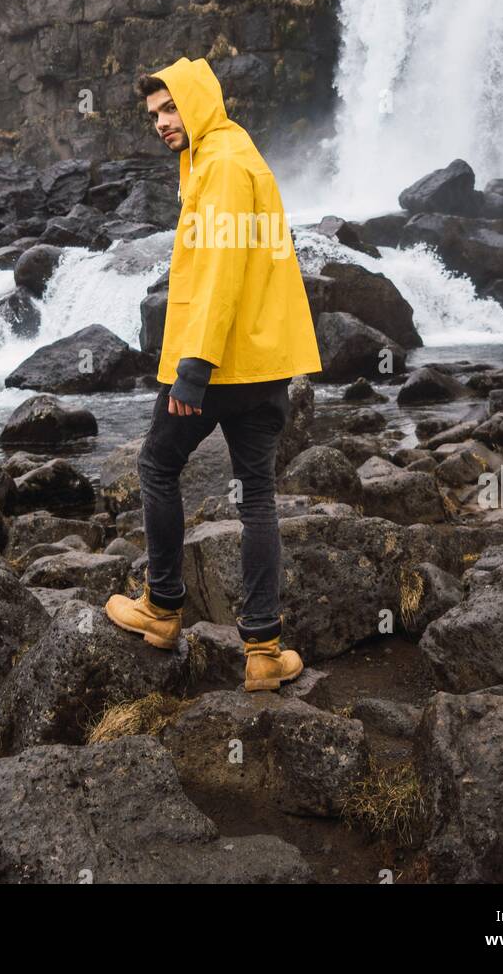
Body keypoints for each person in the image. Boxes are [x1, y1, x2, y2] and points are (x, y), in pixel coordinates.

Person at [105, 54, 322, 690]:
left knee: (156, 467)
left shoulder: (222, 163)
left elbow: (222, 271)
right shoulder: (227, 152)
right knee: (257, 493)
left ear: (199, 100)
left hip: (220, 363)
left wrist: (192, 368)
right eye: (153, 115)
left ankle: (162, 607)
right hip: (263, 363)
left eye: (171, 107)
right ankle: (262, 652)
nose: (162, 123)